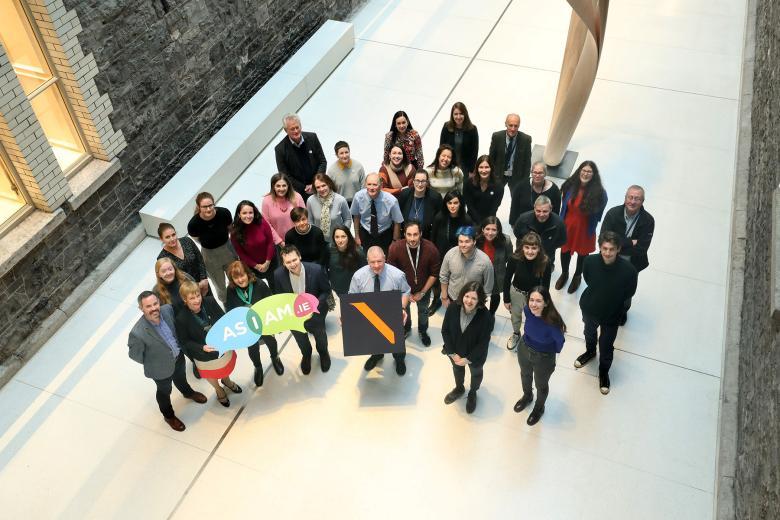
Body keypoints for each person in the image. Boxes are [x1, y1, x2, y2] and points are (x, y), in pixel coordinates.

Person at [128, 291, 207, 432]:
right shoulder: (137, 333)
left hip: (178, 358)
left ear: (159, 302)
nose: (153, 308)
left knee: (181, 378)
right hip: (160, 369)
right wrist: (154, 361)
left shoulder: (167, 310)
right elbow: (135, 355)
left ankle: (188, 393)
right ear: (141, 308)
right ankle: (169, 416)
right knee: (164, 391)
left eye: (155, 303)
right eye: (148, 306)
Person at [575, 232, 638, 395]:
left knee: (606, 345)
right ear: (600, 247)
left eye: (611, 249)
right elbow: (588, 279)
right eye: (604, 248)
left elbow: (629, 293)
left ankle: (603, 371)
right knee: (589, 332)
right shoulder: (590, 261)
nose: (607, 253)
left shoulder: (629, 271)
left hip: (612, 314)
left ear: (618, 249)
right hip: (590, 308)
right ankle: (590, 352)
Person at [174, 281, 242, 408]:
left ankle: (227, 381)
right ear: (185, 299)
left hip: (221, 346)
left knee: (225, 367)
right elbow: (184, 341)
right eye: (192, 298)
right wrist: (202, 347)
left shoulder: (210, 301)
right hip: (203, 354)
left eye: (198, 296)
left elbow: (223, 318)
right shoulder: (181, 318)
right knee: (211, 374)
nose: (197, 300)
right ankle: (218, 389)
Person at [349, 246, 411, 375]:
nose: (376, 265)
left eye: (379, 261)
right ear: (367, 261)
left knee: (397, 341)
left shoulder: (397, 275)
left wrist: (402, 308)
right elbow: (352, 297)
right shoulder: (358, 276)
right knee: (373, 340)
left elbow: (405, 291)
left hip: (392, 313)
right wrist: (347, 315)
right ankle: (377, 355)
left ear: (385, 258)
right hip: (369, 315)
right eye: (372, 262)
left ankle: (399, 359)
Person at [599, 185, 655, 325]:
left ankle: (622, 312)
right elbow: (602, 239)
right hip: (608, 260)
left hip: (632, 264)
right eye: (630, 197)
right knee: (606, 286)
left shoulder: (648, 221)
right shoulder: (613, 213)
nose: (632, 201)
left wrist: (615, 245)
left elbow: (642, 248)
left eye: (637, 198)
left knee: (626, 291)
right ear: (625, 198)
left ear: (642, 201)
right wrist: (630, 242)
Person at [224, 260, 284, 386]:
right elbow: (230, 311)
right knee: (252, 349)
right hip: (247, 327)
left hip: (264, 323)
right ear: (232, 280)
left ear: (248, 274)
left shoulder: (260, 284)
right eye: (236, 278)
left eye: (242, 275)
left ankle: (275, 358)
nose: (240, 280)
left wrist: (276, 324)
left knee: (271, 342)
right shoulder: (230, 291)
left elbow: (271, 304)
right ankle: (258, 367)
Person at [274, 245, 333, 374]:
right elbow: (280, 297)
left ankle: (323, 353)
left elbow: (326, 291)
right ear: (283, 263)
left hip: (315, 312)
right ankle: (306, 355)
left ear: (299, 256)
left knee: (320, 336)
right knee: (300, 338)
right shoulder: (278, 275)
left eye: (294, 260)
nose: (292, 264)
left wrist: (314, 305)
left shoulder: (316, 270)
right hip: (293, 315)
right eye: (288, 262)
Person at [513, 286, 566, 425]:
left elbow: (559, 342)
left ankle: (539, 408)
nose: (533, 304)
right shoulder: (527, 311)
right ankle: (527, 396)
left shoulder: (552, 323)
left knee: (541, 385)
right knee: (525, 375)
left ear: (546, 303)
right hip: (524, 348)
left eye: (538, 301)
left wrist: (547, 352)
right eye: (531, 300)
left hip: (544, 357)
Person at [556, 160, 608, 294]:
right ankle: (565, 273)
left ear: (594, 174)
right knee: (564, 251)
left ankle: (577, 276)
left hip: (585, 228)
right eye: (583, 170)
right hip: (568, 225)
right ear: (579, 171)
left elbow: (598, 215)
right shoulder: (569, 185)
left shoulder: (600, 193)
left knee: (583, 254)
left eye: (589, 171)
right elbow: (564, 206)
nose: (585, 174)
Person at [441, 282, 493, 414]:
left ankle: (473, 392)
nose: (469, 301)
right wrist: (452, 353)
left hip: (474, 356)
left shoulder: (486, 317)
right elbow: (445, 330)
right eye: (467, 296)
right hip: (455, 352)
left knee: (476, 373)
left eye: (474, 298)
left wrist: (468, 359)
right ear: (462, 295)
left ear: (479, 300)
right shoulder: (453, 307)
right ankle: (459, 388)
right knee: (457, 370)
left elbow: (483, 343)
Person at [387, 220, 440, 346]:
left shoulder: (431, 249)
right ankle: (406, 328)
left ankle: (423, 331)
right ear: (404, 234)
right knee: (405, 310)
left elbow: (434, 274)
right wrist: (406, 293)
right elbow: (392, 274)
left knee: (423, 311)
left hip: (423, 289)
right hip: (403, 291)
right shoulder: (395, 248)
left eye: (415, 234)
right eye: (409, 234)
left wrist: (422, 292)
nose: (412, 238)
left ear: (421, 234)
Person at [503, 232, 552, 350]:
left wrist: (544, 302)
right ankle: (516, 333)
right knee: (515, 316)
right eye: (527, 247)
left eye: (534, 248)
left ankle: (530, 336)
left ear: (539, 249)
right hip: (516, 293)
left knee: (533, 318)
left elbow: (546, 285)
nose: (530, 251)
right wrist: (506, 298)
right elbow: (507, 278)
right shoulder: (514, 259)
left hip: (534, 297)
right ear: (522, 247)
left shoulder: (545, 262)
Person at [187, 192, 237, 302]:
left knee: (235, 277)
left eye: (210, 205)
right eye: (204, 207)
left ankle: (240, 298)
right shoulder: (193, 224)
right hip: (209, 256)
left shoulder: (224, 213)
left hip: (227, 249)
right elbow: (197, 239)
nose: (208, 209)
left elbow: (231, 229)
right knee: (219, 285)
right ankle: (226, 303)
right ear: (199, 207)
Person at [428, 190, 473, 313]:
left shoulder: (466, 219)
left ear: (460, 204)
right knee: (438, 281)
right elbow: (433, 238)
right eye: (449, 203)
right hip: (440, 256)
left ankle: (456, 302)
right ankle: (436, 300)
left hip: (459, 257)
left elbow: (469, 241)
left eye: (455, 203)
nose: (452, 206)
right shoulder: (439, 217)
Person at [512, 196, 567, 287]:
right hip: (525, 256)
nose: (541, 214)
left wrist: (548, 246)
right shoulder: (523, 219)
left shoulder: (559, 224)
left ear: (551, 209)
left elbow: (562, 241)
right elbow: (517, 233)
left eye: (545, 211)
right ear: (534, 208)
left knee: (541, 283)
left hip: (545, 259)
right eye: (538, 211)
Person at [274, 113, 327, 200]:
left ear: (300, 126)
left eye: (297, 127)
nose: (296, 131)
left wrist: (316, 183)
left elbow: (322, 161)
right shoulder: (280, 149)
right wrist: (304, 188)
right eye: (292, 129)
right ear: (285, 130)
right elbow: (285, 175)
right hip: (301, 194)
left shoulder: (312, 138)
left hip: (320, 187)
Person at [439, 226, 494, 308]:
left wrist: (479, 304)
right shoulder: (450, 254)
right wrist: (444, 297)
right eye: (460, 241)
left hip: (472, 302)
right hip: (453, 298)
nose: (463, 245)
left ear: (474, 241)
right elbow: (443, 276)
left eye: (467, 241)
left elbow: (488, 288)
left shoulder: (485, 261)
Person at [230, 200, 277, 290]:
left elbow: (270, 242)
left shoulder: (262, 222)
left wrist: (267, 262)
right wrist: (256, 266)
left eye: (250, 212)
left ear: (254, 213)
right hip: (252, 267)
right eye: (244, 213)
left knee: (276, 287)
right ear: (239, 215)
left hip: (271, 261)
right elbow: (241, 254)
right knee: (258, 290)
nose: (248, 216)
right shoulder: (234, 232)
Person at [351, 172, 403, 254]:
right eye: (369, 184)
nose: (371, 188)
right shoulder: (358, 197)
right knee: (367, 260)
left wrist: (394, 241)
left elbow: (397, 222)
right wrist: (357, 236)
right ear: (365, 184)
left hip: (385, 235)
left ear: (381, 185)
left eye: (375, 185)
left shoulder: (391, 201)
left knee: (383, 260)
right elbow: (356, 216)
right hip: (365, 234)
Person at [157, 223, 209, 296]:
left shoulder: (186, 241)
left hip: (203, 282)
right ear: (161, 239)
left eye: (173, 234)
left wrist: (204, 280)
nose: (172, 239)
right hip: (187, 291)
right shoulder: (162, 257)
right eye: (167, 237)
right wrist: (197, 286)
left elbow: (200, 260)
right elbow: (173, 279)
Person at [488, 113, 532, 194]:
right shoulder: (497, 136)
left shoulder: (526, 139)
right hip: (499, 175)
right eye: (510, 125)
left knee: (517, 200)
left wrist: (525, 181)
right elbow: (491, 158)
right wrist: (491, 176)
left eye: (516, 126)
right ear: (505, 124)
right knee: (494, 197)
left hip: (516, 176)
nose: (513, 129)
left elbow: (527, 163)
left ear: (519, 125)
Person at [476, 216, 512, 315]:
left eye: (494, 230)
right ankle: (480, 313)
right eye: (487, 229)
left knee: (495, 295)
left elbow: (510, 260)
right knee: (478, 294)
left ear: (498, 230)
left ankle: (491, 314)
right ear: (482, 229)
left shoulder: (506, 241)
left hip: (497, 274)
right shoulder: (476, 240)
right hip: (480, 274)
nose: (490, 233)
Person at [508, 162, 562, 226]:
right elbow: (514, 207)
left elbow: (555, 213)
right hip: (524, 224)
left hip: (543, 225)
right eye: (535, 172)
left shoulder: (554, 191)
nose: (537, 175)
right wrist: (513, 223)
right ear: (531, 173)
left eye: (540, 173)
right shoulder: (521, 186)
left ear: (545, 174)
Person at [261, 173, 305, 247]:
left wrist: (301, 235)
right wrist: (280, 242)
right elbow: (267, 225)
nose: (281, 189)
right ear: (273, 186)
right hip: (279, 244)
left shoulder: (297, 197)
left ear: (288, 186)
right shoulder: (266, 201)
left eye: (284, 185)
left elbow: (304, 218)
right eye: (278, 186)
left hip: (300, 239)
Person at [397, 169, 442, 240]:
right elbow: (397, 217)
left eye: (423, 181)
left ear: (427, 182)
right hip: (406, 238)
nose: (420, 184)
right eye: (417, 181)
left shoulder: (435, 198)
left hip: (426, 239)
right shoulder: (405, 194)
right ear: (413, 181)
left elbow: (439, 222)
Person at [306, 173, 351, 243]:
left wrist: (343, 235)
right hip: (318, 241)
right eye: (318, 187)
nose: (321, 189)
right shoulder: (310, 201)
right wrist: (314, 235)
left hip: (338, 241)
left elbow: (348, 219)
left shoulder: (341, 200)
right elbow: (310, 220)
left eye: (324, 185)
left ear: (329, 184)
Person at [439, 101, 479, 175]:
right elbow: (441, 147)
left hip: (465, 168)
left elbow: (474, 151)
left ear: (465, 114)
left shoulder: (472, 129)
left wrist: (471, 170)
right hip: (448, 165)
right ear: (452, 115)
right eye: (456, 114)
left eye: (461, 114)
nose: (458, 117)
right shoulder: (446, 126)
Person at [463, 155, 504, 225]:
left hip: (489, 219)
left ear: (491, 168)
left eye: (487, 167)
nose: (484, 170)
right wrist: (479, 223)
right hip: (472, 219)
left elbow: (494, 208)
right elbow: (470, 206)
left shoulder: (498, 186)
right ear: (477, 168)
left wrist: (486, 224)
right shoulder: (468, 183)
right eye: (481, 167)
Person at [328, 225, 367, 296]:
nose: (340, 240)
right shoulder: (329, 250)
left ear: (348, 237)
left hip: (353, 291)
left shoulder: (358, 252)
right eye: (337, 237)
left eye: (343, 236)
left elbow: (365, 272)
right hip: (334, 292)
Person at [326, 140, 366, 205]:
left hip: (358, 203)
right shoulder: (331, 171)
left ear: (349, 152)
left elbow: (363, 186)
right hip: (340, 204)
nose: (344, 156)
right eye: (341, 153)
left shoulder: (358, 166)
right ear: (336, 155)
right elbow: (330, 191)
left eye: (346, 152)